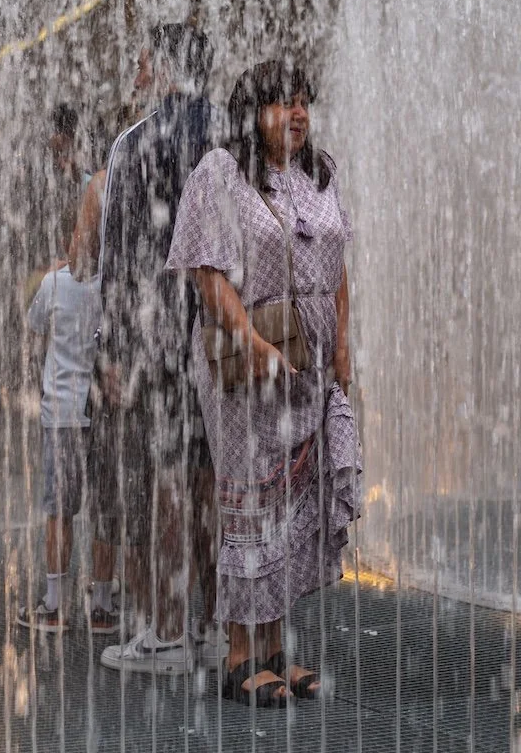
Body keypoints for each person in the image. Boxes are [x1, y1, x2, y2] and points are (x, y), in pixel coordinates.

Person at [166, 59, 360, 705]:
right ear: (252, 112)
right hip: (245, 366)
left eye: (304, 101)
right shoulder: (221, 172)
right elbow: (207, 272)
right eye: (282, 103)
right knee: (252, 503)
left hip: (306, 365)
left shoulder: (319, 173)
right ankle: (239, 656)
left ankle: (276, 649)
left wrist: (342, 347)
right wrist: (251, 342)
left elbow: (337, 267)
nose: (297, 114)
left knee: (291, 504)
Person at [85, 23, 224, 675]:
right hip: (222, 334)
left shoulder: (135, 143)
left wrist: (112, 349)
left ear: (164, 70)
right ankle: (219, 628)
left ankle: (167, 633)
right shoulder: (231, 135)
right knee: (214, 481)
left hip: (160, 338)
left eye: (144, 63)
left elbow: (117, 258)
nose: (138, 74)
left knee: (168, 478)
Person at [15, 225, 117, 634]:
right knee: (95, 510)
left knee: (66, 510)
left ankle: (60, 605)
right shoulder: (111, 285)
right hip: (94, 413)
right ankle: (98, 607)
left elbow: (34, 330)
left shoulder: (54, 284)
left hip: (68, 413)